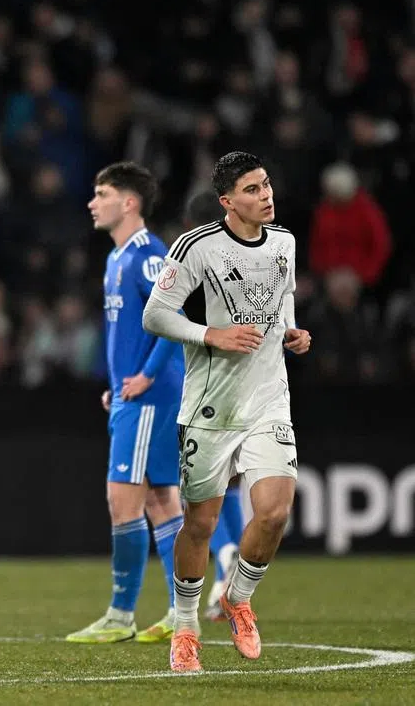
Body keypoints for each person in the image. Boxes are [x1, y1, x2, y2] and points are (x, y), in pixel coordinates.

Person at [143, 152, 311, 672]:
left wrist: (290, 330)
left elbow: (281, 299)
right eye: (253, 190)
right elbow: (156, 314)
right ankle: (187, 627)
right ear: (227, 202)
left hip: (268, 399)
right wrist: (209, 334)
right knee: (200, 524)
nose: (266, 195)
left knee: (276, 511)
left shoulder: (284, 242)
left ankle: (238, 597)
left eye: (266, 185)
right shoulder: (197, 246)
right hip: (210, 406)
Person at [67, 162, 184, 645]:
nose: (93, 202)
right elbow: (131, 332)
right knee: (160, 502)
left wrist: (144, 377)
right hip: (133, 393)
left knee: (123, 500)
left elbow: (172, 321)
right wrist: (119, 382)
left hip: (151, 396)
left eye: (102, 193)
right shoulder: (116, 259)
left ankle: (120, 615)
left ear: (129, 203)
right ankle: (184, 609)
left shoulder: (148, 254)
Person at [183, 189, 246, 623]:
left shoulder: (192, 266)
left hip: (204, 390)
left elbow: (170, 328)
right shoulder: (248, 264)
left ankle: (224, 560)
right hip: (251, 388)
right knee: (234, 485)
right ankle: (233, 569)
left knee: (202, 494)